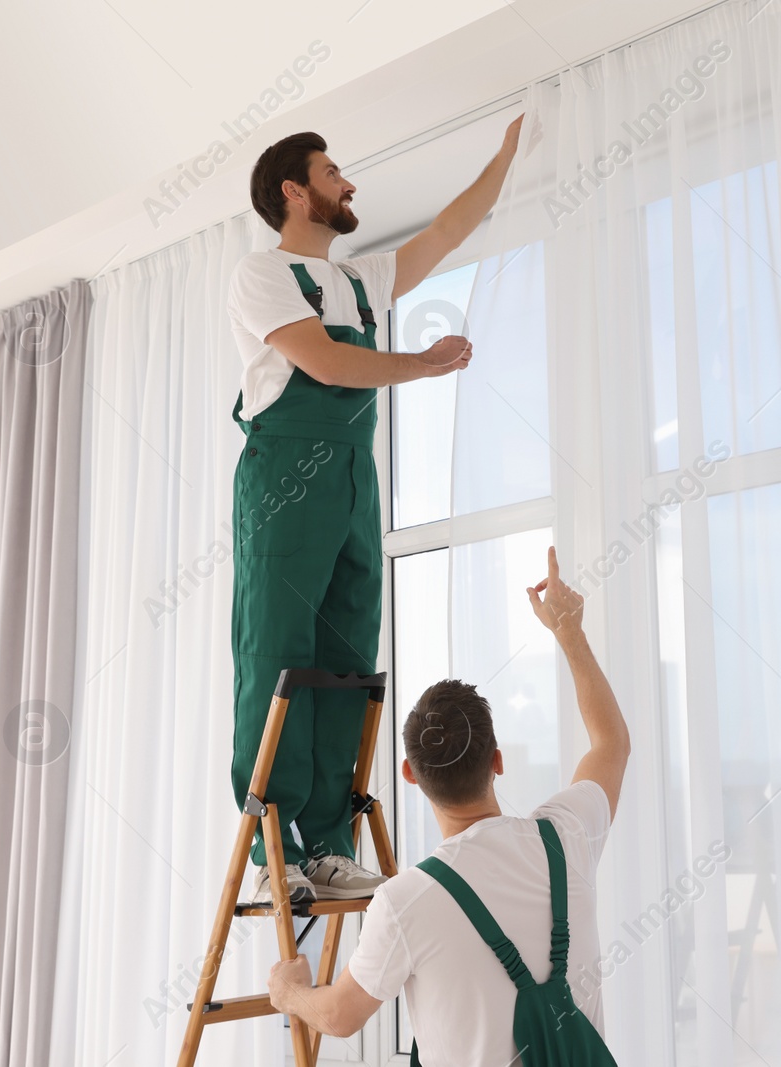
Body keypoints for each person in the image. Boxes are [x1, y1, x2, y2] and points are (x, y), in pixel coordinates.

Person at [227, 118, 525, 903]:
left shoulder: (360, 279)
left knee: (346, 661)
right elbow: (324, 359)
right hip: (287, 475)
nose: (348, 183)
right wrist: (420, 366)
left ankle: (327, 843)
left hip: (354, 478)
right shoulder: (263, 274)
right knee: (278, 659)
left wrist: (506, 157)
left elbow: (450, 230)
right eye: (332, 172)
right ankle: (275, 844)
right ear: (294, 191)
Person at [267, 546, 630, 1066]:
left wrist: (288, 992)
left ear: (410, 774)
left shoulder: (404, 901)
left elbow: (339, 1017)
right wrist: (569, 631)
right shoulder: (567, 836)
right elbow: (610, 744)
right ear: (498, 761)